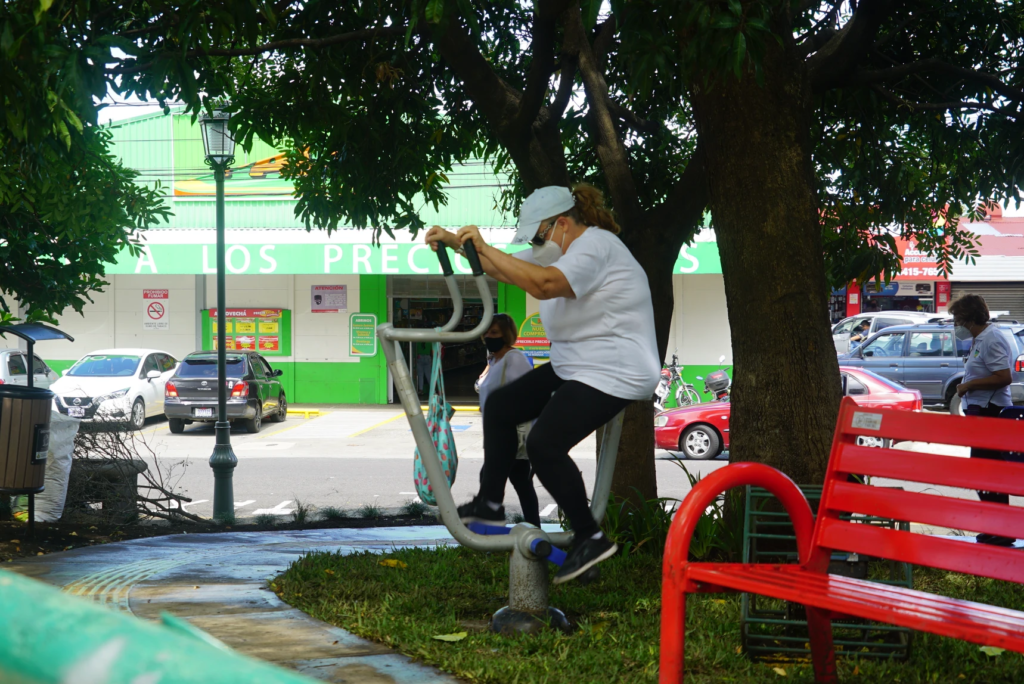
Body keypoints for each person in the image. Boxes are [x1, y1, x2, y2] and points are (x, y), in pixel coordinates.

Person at [425, 184, 660, 583]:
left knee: (543, 444)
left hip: (616, 369)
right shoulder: (562, 250)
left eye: (538, 236)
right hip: (576, 363)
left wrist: (482, 246)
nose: (535, 246)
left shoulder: (595, 247)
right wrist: (458, 244)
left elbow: (544, 284)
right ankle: (489, 504)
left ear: (562, 224)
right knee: (500, 407)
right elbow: (501, 268)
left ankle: (591, 536)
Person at [949, 293, 1016, 547]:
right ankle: (994, 527)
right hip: (980, 413)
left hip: (993, 414)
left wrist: (970, 385)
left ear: (969, 317)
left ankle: (1003, 530)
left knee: (989, 475)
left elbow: (1004, 376)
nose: (956, 325)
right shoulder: (980, 339)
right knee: (983, 475)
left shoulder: (992, 338)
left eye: (957, 318)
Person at [474, 313, 540, 527]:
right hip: (497, 433)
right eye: (486, 332)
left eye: (494, 332)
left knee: (490, 478)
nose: (488, 336)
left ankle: (488, 527)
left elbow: (530, 394)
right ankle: (533, 527)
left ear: (507, 334)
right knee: (520, 482)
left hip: (511, 434)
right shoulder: (494, 360)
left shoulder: (514, 359)